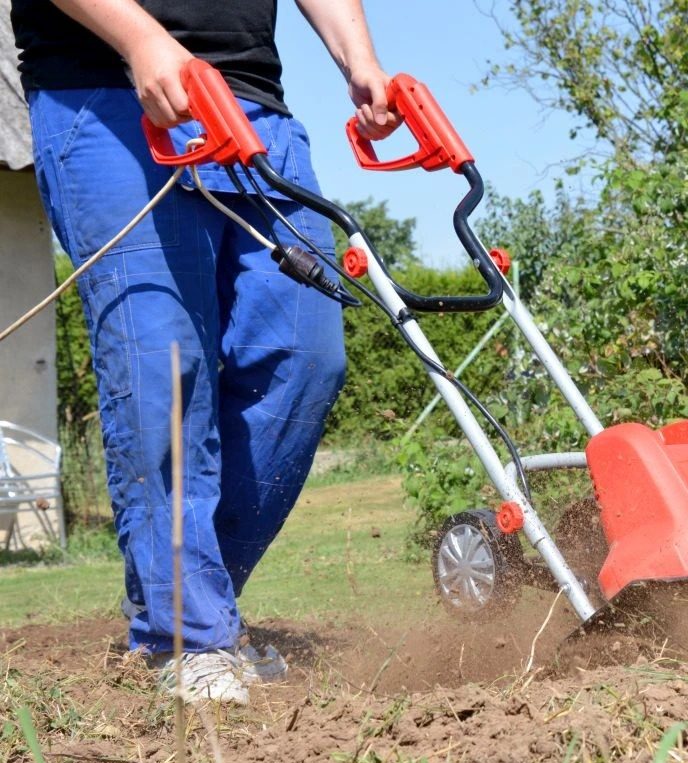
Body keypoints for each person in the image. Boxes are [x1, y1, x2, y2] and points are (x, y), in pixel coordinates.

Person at [10, 0, 398, 703]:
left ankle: (187, 593)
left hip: (253, 104)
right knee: (163, 370)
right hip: (109, 91)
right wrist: (141, 39)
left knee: (307, 356)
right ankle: (187, 634)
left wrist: (359, 59)